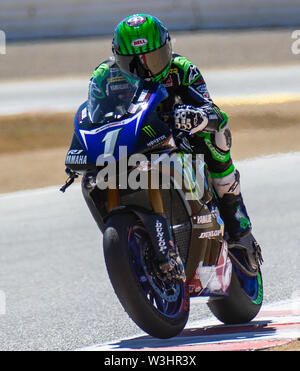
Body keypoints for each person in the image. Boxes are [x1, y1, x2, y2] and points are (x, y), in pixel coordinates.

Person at [90, 13, 252, 241]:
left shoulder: (182, 69)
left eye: (154, 59)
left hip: (176, 138)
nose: (146, 71)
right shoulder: (104, 75)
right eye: (134, 64)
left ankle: (231, 202)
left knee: (216, 135)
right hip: (131, 140)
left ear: (167, 49)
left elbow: (214, 111)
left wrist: (197, 117)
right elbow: (93, 116)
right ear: (118, 58)